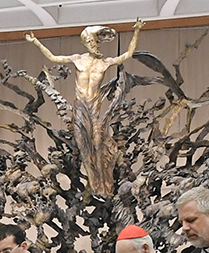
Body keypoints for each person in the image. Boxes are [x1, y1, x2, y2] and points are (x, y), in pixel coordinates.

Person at [25, 19, 144, 195]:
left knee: (97, 143)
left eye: (95, 41)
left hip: (94, 108)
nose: (94, 45)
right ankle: (94, 183)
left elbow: (127, 54)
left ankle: (105, 184)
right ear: (85, 42)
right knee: (83, 146)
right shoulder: (77, 59)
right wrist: (36, 42)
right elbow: (53, 58)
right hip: (80, 107)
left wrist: (137, 31)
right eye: (90, 41)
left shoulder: (105, 62)